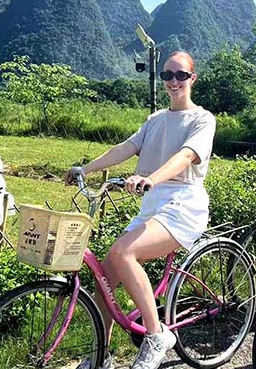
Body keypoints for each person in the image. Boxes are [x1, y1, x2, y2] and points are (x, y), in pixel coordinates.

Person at [65, 51, 216, 369]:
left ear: (192, 79)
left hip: (182, 205)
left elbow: (186, 157)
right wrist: (86, 168)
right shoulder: (156, 119)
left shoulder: (202, 119)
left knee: (123, 253)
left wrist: (151, 178)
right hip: (152, 205)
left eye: (181, 75)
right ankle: (100, 355)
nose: (173, 81)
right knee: (105, 276)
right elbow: (127, 147)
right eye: (167, 75)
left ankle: (156, 334)